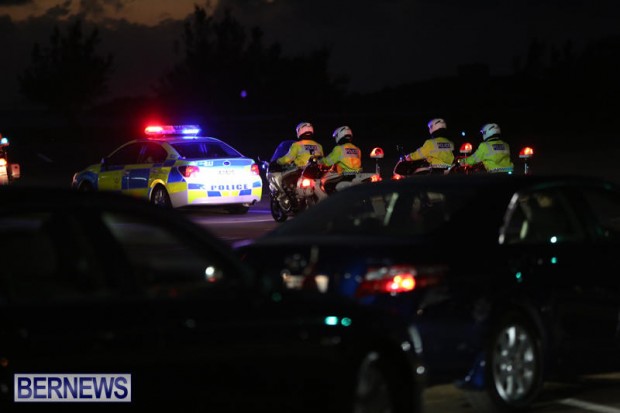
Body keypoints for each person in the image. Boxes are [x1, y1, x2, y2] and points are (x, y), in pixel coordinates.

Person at [275, 122, 324, 189]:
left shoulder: (297, 145)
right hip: (317, 172)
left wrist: (278, 161)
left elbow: (288, 158)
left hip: (301, 172)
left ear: (299, 131)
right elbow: (322, 159)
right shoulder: (319, 145)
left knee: (286, 183)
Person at [319, 125, 362, 194]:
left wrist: (320, 161)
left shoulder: (339, 149)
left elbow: (327, 162)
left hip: (344, 176)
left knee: (326, 184)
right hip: (357, 175)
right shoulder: (357, 149)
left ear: (339, 136)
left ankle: (333, 203)